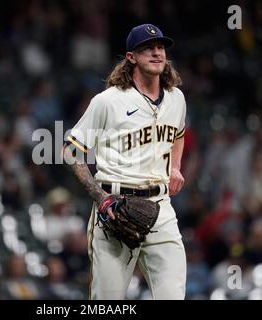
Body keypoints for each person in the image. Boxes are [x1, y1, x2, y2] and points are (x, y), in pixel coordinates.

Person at [62, 23, 187, 299]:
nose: (157, 53)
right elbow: (70, 151)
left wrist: (175, 166)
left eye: (160, 47)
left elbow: (178, 133)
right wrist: (100, 197)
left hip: (161, 208)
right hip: (114, 208)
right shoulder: (108, 101)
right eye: (147, 48)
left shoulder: (177, 98)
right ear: (131, 57)